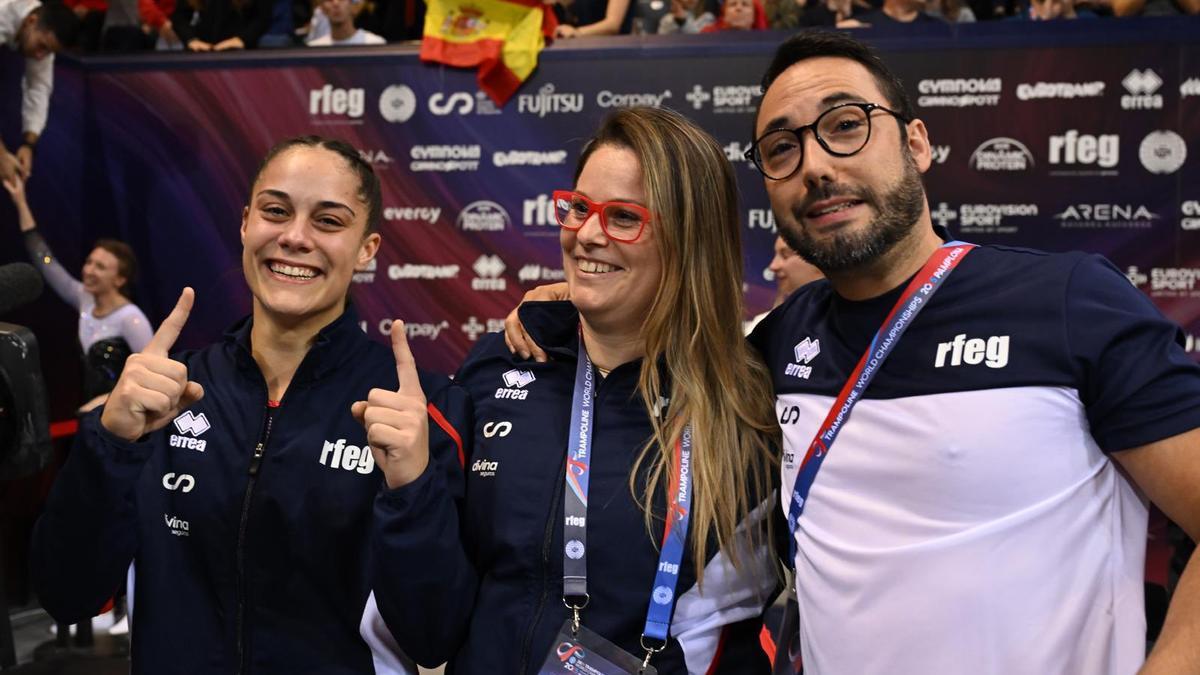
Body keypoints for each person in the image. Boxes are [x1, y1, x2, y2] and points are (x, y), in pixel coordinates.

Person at [509, 31, 1200, 675]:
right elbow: (661, 336)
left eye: (845, 125)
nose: (814, 165)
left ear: (918, 143)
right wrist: (572, 305)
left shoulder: (1066, 302)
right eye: (781, 149)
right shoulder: (776, 343)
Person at [364, 107, 781, 674]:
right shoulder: (500, 364)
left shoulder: (744, 410)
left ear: (690, 238)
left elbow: (729, 641)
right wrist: (410, 488)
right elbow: (428, 633)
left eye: (623, 217)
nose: (586, 234)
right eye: (580, 208)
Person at [30, 135, 466, 674]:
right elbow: (65, 593)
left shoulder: (417, 412)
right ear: (245, 223)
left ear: (367, 248)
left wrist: (412, 488)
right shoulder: (163, 396)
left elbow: (434, 636)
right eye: (275, 211)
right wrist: (111, 446)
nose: (295, 237)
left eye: (329, 221)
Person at [4, 173, 152, 405]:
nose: (89, 270)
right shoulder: (85, 299)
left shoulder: (131, 319)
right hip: (89, 417)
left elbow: (150, 379)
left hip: (121, 421)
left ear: (120, 279)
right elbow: (46, 262)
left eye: (100, 267)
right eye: (89, 262)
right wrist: (20, 202)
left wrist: (105, 403)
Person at [0, 0, 79, 182]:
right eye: (42, 46)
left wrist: (29, 144)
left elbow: (38, 88)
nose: (40, 56)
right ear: (30, 21)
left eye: (48, 52)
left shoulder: (39, 30)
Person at [745, 235, 823, 333]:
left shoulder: (842, 323)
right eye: (775, 255)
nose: (773, 266)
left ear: (818, 261)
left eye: (785, 255)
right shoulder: (763, 328)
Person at [171, 0, 268, 51]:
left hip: (241, 53)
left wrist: (241, 40)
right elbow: (179, 18)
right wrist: (191, 40)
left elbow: (263, 18)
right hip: (202, 51)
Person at [306, 0, 381, 45]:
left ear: (352, 4)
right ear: (322, 8)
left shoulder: (374, 44)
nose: (336, 3)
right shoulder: (314, 49)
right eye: (329, 0)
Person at [700, 0, 766, 30]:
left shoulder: (766, 41)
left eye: (745, 4)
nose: (738, 8)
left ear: (754, 15)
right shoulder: (707, 35)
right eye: (733, 4)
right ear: (724, 14)